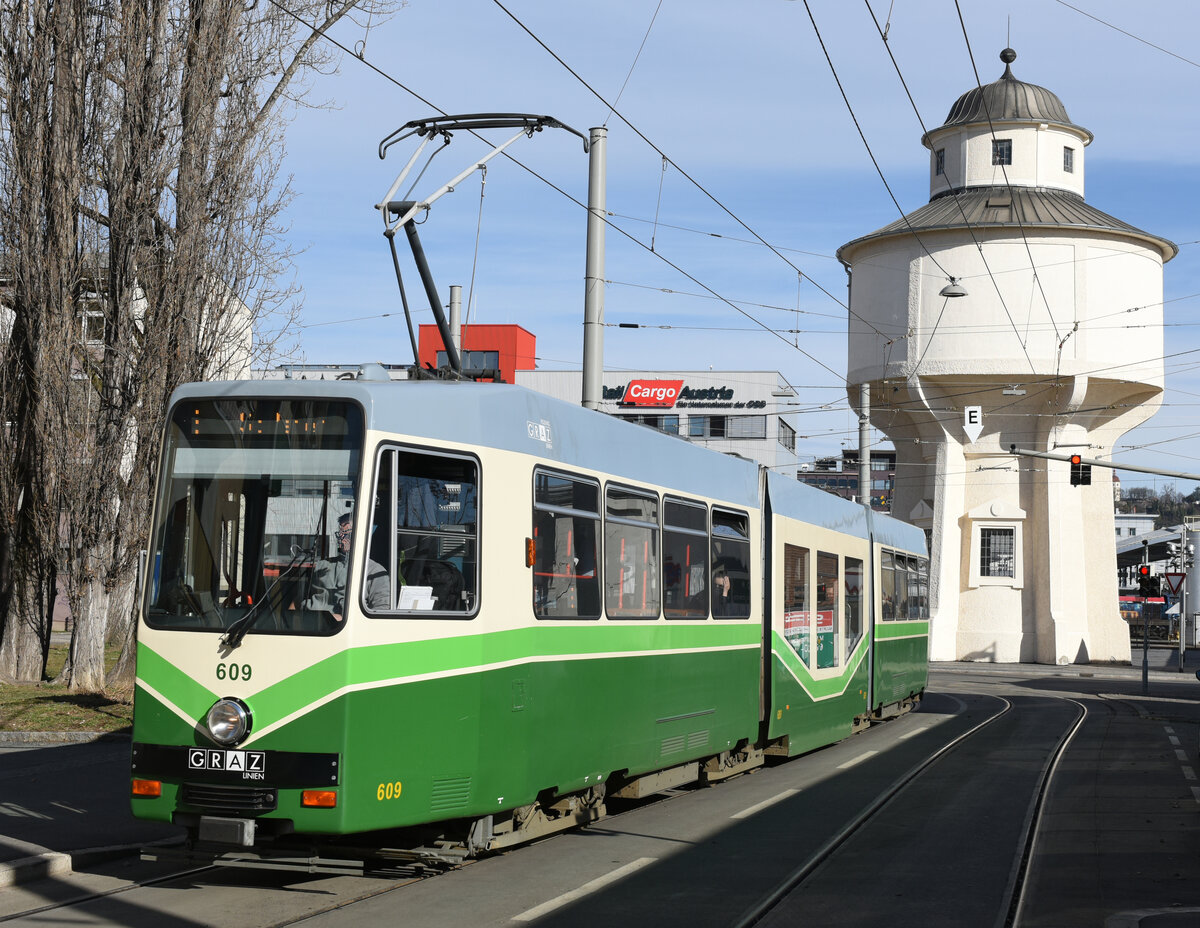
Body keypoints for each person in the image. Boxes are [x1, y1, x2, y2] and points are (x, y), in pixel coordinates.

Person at [307, 511, 390, 620]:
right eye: (340, 534)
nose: (341, 539)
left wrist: (343, 621)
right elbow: (300, 600)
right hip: (309, 623)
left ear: (360, 535)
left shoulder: (375, 571)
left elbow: (381, 611)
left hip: (340, 629)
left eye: (347, 534)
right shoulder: (323, 565)